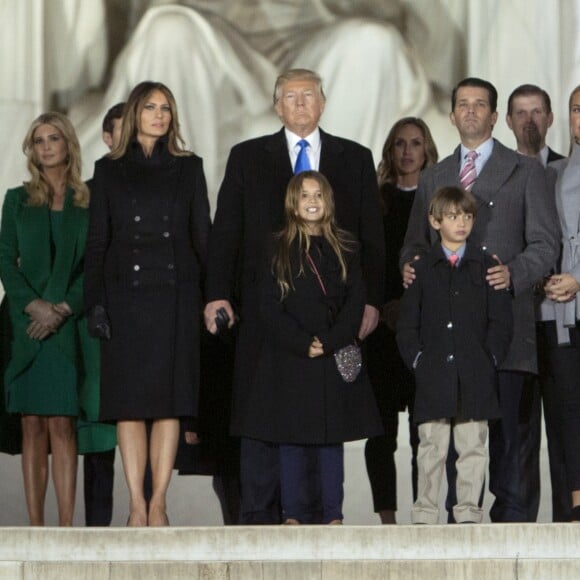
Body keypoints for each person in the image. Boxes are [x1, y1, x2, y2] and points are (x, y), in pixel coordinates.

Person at [204, 68, 385, 524]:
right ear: (276, 105)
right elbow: (226, 231)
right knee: (264, 420)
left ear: (323, 103)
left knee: (325, 425)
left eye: (309, 95)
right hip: (265, 317)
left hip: (333, 319)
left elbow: (371, 239)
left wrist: (372, 303)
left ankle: (322, 515)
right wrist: (216, 294)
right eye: (291, 96)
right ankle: (263, 520)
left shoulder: (355, 157)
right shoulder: (247, 157)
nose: (301, 103)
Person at [400, 77, 560, 523]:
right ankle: (451, 538)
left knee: (510, 443)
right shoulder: (434, 176)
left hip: (505, 329)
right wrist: (410, 266)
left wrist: (513, 275)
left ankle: (511, 541)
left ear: (494, 117)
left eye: (480, 105)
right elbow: (413, 245)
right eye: (463, 105)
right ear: (451, 116)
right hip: (446, 340)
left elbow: (545, 244)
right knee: (447, 445)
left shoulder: (527, 171)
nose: (471, 111)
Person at [83, 81, 211, 527]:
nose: (160, 115)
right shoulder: (108, 170)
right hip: (125, 300)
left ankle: (158, 502)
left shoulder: (189, 167)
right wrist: (94, 304)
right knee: (130, 405)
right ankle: (135, 504)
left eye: (167, 109)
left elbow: (203, 238)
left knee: (169, 404)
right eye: (152, 107)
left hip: (176, 297)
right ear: (135, 112)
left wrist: (211, 298)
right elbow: (98, 242)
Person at [245, 170, 382, 524]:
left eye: (318, 195)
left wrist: (332, 340)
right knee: (291, 438)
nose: (311, 201)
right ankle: (294, 515)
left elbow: (356, 300)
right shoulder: (276, 248)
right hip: (292, 357)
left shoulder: (346, 247)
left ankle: (333, 515)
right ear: (293, 202)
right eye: (304, 195)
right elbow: (268, 306)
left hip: (331, 354)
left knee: (329, 440)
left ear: (328, 201)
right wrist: (302, 342)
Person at [397, 186, 513, 524]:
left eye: (466, 216)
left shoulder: (486, 265)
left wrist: (489, 358)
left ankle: (467, 514)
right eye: (452, 216)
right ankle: (425, 513)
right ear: (435, 221)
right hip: (433, 376)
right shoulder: (422, 269)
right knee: (431, 448)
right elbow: (407, 325)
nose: (460, 223)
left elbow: (500, 322)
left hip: (474, 375)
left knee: (473, 448)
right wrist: (418, 360)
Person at [0, 112, 91, 526]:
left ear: (68, 144)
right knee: (32, 423)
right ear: (32, 150)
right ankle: (37, 528)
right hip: (25, 325)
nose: (46, 146)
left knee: (62, 424)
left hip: (67, 325)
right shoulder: (16, 199)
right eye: (38, 141)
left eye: (54, 138)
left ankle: (65, 528)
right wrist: (33, 305)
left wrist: (62, 308)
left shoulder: (88, 200)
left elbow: (95, 266)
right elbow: (5, 260)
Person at [364, 117, 438, 524]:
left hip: (425, 329)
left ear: (427, 148)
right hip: (380, 331)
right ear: (389, 151)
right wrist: (384, 306)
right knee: (381, 433)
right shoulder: (375, 201)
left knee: (423, 433)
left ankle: (422, 516)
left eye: (415, 143)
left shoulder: (439, 201)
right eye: (399, 144)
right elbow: (367, 265)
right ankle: (387, 519)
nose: (407, 151)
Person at [505, 84, 569, 523]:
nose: (529, 120)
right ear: (507, 121)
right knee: (518, 430)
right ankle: (518, 522)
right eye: (520, 113)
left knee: (567, 427)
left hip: (562, 322)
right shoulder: (497, 175)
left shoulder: (571, 172)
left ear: (549, 119)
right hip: (513, 323)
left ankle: (570, 519)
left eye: (537, 112)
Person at [77, 103, 122, 527]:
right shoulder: (85, 196)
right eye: (119, 132)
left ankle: (146, 516)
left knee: (143, 423)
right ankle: (98, 526)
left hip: (148, 320)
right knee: (98, 427)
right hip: (97, 324)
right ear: (106, 138)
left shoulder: (170, 184)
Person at [540, 84, 580, 522]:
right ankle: (575, 503)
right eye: (576, 109)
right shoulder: (554, 173)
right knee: (568, 411)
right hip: (560, 313)